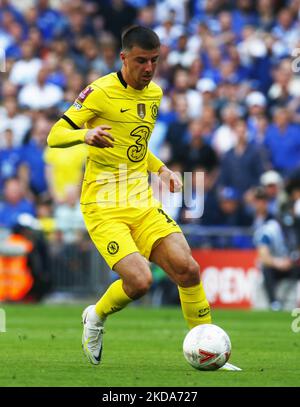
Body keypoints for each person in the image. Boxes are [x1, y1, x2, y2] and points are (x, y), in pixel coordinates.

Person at [47, 26, 238, 370]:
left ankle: (209, 352)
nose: (149, 68)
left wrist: (161, 168)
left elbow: (136, 145)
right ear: (124, 58)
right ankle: (95, 316)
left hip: (141, 200)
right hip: (103, 205)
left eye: (154, 60)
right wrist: (84, 134)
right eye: (141, 60)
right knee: (140, 281)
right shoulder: (99, 92)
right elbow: (55, 134)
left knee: (188, 269)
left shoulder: (155, 94)